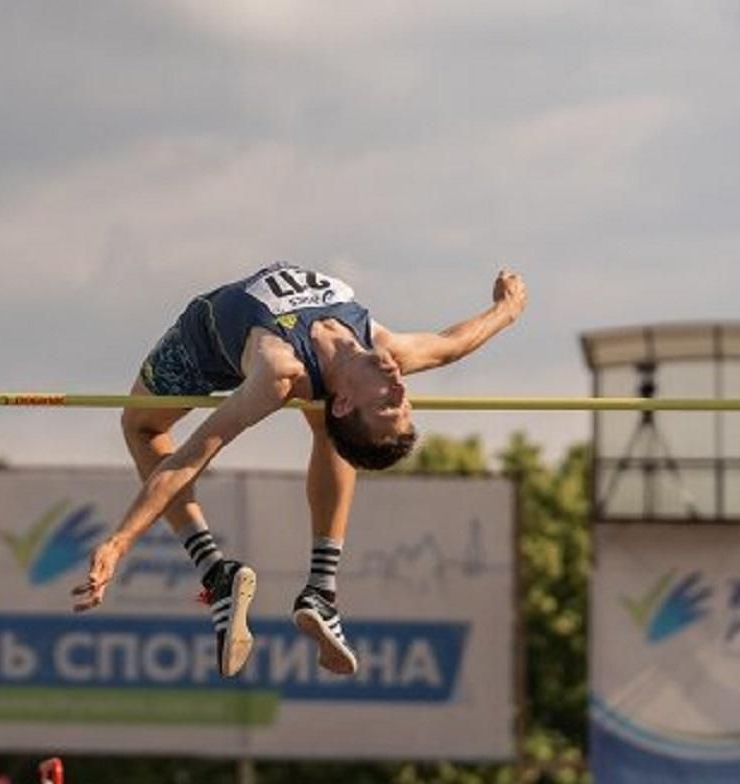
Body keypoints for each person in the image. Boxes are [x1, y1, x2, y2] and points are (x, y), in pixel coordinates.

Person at [72, 262, 527, 678]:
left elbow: (190, 457)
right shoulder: (384, 349)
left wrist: (119, 542)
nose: (399, 387)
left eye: (388, 403)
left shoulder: (278, 373)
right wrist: (506, 310)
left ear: (348, 401)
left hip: (203, 345)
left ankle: (216, 574)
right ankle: (320, 595)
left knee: (141, 427)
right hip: (300, 359)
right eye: (403, 401)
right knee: (331, 427)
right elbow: (451, 347)